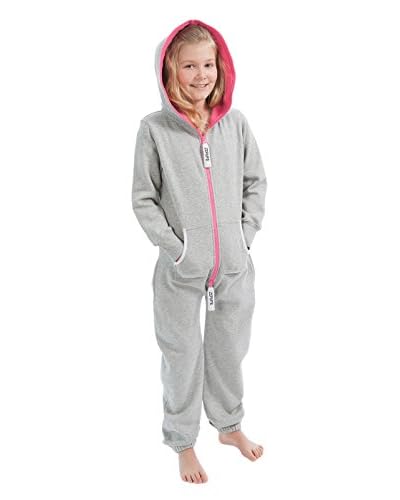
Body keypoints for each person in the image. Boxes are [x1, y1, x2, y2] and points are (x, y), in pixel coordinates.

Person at [132, 19, 267, 484]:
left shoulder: (235, 124)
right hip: (180, 269)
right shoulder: (154, 130)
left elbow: (255, 182)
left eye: (208, 64)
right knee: (181, 355)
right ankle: (183, 442)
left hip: (233, 264)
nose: (201, 75)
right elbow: (144, 198)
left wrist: (244, 237)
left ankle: (229, 426)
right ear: (170, 70)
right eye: (189, 66)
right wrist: (177, 250)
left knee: (229, 349)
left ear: (220, 66)